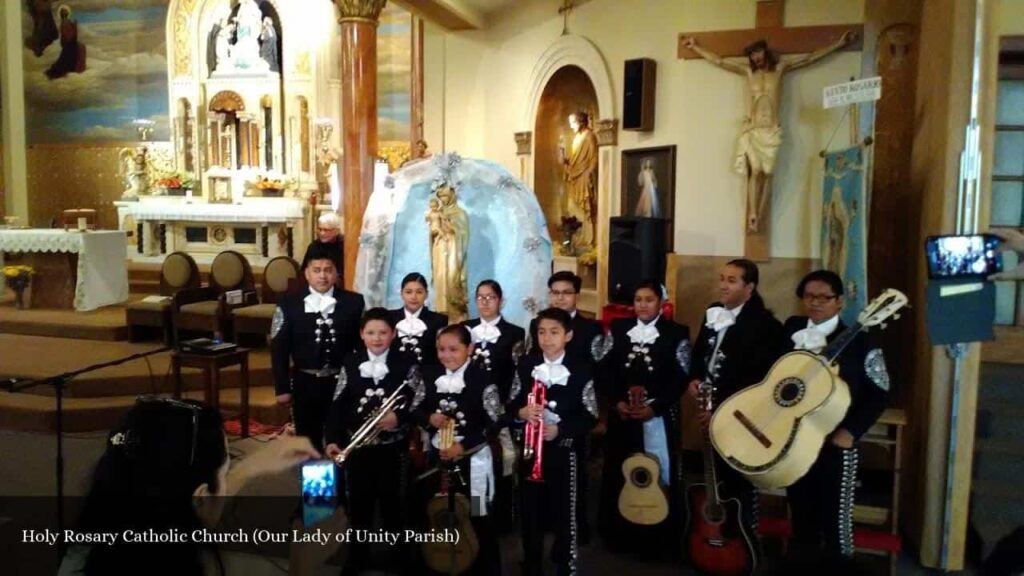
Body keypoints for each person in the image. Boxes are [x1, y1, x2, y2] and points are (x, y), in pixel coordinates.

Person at [58, 396, 332, 576]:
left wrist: (247, 468)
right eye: (225, 470)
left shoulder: (85, 552)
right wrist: (303, 565)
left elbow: (186, 493)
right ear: (200, 496)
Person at [682, 32, 852, 232]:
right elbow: (719, 61)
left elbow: (809, 58)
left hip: (771, 131)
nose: (756, 58)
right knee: (755, 171)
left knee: (768, 173)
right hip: (754, 129)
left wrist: (838, 44)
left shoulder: (780, 69)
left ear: (765, 52)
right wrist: (695, 47)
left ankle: (759, 214)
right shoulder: (748, 72)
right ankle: (752, 213)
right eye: (752, 55)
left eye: (758, 53)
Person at [781, 270, 890, 569]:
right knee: (800, 515)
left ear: (839, 302)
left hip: (834, 442)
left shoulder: (861, 340)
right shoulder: (791, 330)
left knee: (835, 523)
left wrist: (851, 431)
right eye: (809, 297)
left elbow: (879, 394)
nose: (815, 303)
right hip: (792, 440)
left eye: (823, 298)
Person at [685, 259, 788, 554]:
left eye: (732, 280)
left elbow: (759, 381)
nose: (723, 286)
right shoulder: (712, 313)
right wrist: (694, 378)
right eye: (722, 278)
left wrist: (720, 406)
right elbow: (699, 354)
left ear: (750, 288)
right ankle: (714, 539)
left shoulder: (767, 327)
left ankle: (741, 539)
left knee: (736, 479)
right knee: (712, 475)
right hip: (706, 407)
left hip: (739, 414)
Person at [325, 307, 423, 576]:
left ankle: (399, 558)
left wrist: (398, 417)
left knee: (394, 505)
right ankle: (357, 556)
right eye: (370, 333)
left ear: (393, 334)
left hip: (393, 448)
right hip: (359, 448)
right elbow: (339, 402)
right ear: (361, 334)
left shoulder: (407, 362)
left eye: (382, 332)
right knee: (359, 504)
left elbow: (418, 399)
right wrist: (332, 438)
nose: (377, 338)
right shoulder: (351, 360)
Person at [598, 280, 691, 556]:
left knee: (657, 470)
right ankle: (621, 535)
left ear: (661, 302)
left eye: (649, 299)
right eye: (638, 299)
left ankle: (658, 537)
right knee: (620, 468)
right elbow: (604, 369)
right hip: (623, 416)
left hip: (657, 417)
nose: (642, 305)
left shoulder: (676, 333)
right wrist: (617, 402)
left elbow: (681, 376)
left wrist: (656, 406)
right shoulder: (619, 329)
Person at [509, 308, 598, 576]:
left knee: (564, 511)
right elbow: (511, 402)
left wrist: (561, 430)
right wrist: (520, 413)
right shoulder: (526, 365)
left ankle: (564, 559)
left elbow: (590, 415)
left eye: (554, 332)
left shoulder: (581, 369)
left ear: (568, 335)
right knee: (530, 511)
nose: (547, 339)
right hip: (529, 451)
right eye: (541, 332)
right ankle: (531, 561)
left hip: (564, 452)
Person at [412, 325, 503, 575]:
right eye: (441, 349)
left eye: (454, 349)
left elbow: (494, 421)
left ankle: (483, 569)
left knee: (477, 514)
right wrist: (429, 418)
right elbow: (415, 408)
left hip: (472, 461)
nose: (447, 355)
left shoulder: (483, 378)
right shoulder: (429, 374)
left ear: (470, 349)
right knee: (436, 513)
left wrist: (463, 446)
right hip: (437, 460)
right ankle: (437, 564)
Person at [272, 243, 364, 449]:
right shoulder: (289, 303)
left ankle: (341, 481)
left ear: (336, 273)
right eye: (317, 270)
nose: (322, 276)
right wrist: (282, 387)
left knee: (340, 439)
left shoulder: (353, 302)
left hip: (341, 382)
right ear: (306, 273)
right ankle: (312, 481)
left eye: (328, 270)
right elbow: (279, 348)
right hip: (304, 382)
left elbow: (360, 347)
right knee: (308, 442)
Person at [463, 280, 526, 400]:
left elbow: (516, 371)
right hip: (468, 394)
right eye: (480, 297)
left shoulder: (514, 332)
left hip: (499, 396)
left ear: (500, 301)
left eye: (491, 297)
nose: (485, 302)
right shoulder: (465, 327)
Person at [528, 271, 606, 364]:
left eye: (567, 292)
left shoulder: (591, 328)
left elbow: (596, 366)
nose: (560, 298)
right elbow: (531, 359)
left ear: (577, 296)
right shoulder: (536, 324)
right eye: (555, 292)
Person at [427, 185, 470, 320]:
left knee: (453, 280)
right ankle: (441, 315)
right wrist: (434, 231)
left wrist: (451, 226)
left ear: (452, 195)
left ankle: (456, 316)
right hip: (439, 250)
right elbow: (432, 231)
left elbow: (464, 235)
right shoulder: (437, 212)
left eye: (445, 196)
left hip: (453, 251)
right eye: (440, 197)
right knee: (441, 280)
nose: (443, 200)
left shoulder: (460, 213)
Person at [389, 272, 449, 368]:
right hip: (393, 373)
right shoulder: (389, 317)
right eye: (408, 292)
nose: (414, 297)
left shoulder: (439, 320)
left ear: (426, 294)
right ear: (401, 294)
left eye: (419, 292)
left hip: (426, 375)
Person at [562, 111, 598, 254]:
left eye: (573, 123)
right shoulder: (576, 138)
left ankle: (587, 239)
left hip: (584, 176)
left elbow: (594, 156)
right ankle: (575, 241)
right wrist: (566, 160)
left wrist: (590, 171)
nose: (571, 126)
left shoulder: (589, 136)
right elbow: (574, 159)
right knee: (573, 207)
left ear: (580, 121)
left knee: (585, 208)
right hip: (575, 175)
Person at [46, 5, 87, 79]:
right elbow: (68, 35)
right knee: (64, 62)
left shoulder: (65, 23)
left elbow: (69, 36)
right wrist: (74, 27)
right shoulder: (66, 23)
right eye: (63, 13)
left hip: (69, 45)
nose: (64, 14)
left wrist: (74, 27)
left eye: (64, 13)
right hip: (69, 45)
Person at [302, 212, 344, 281]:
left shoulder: (345, 246)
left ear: (337, 231)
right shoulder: (313, 247)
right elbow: (305, 270)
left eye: (326, 230)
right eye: (320, 229)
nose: (322, 233)